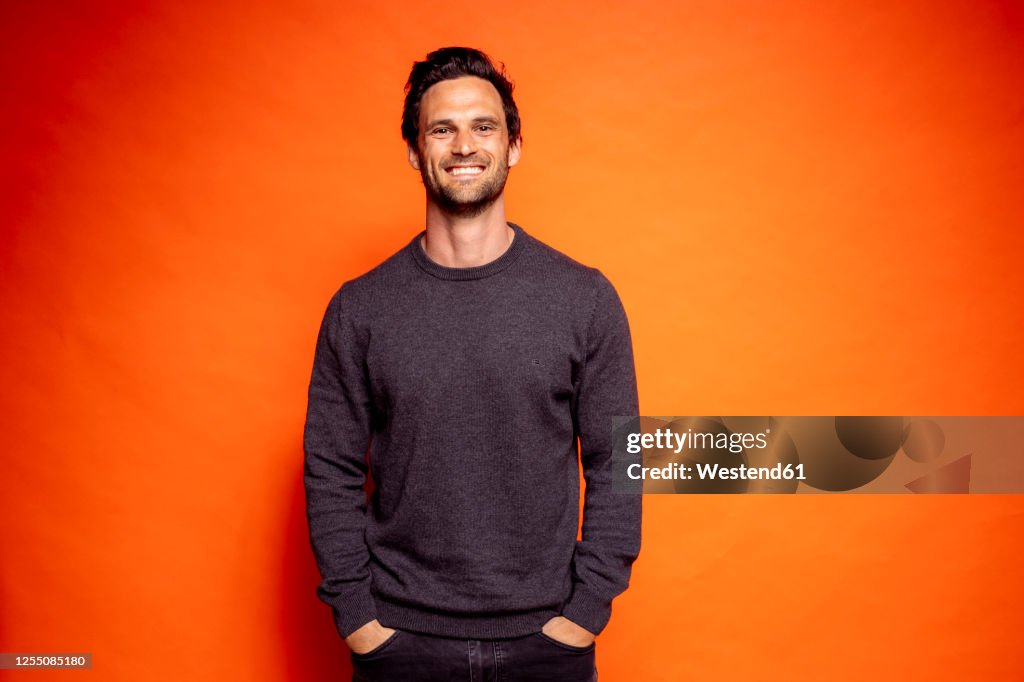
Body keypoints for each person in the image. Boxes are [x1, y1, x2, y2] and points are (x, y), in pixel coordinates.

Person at [303, 46, 641, 682]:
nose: (464, 145)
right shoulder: (361, 308)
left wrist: (586, 611)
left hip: (549, 645)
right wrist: (358, 619)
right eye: (442, 128)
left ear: (512, 146)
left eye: (484, 126)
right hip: (401, 645)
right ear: (414, 151)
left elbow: (619, 459)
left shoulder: (583, 298)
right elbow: (331, 467)